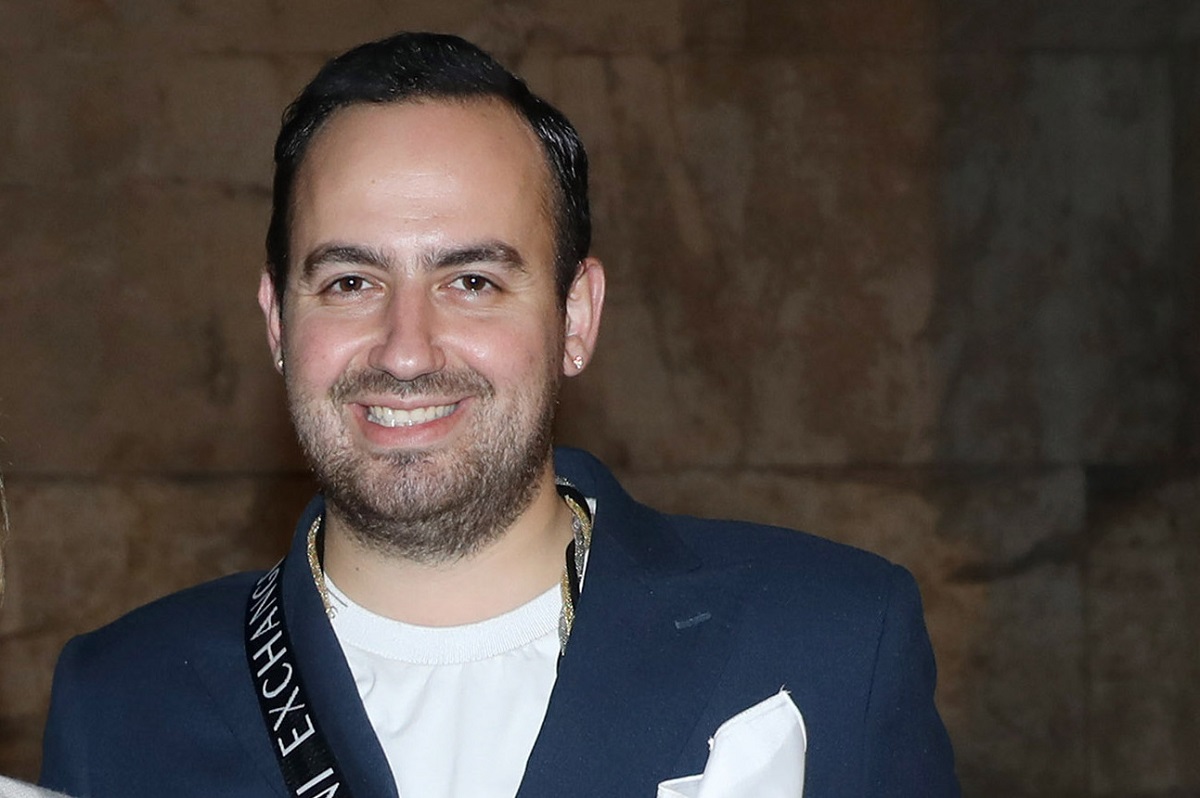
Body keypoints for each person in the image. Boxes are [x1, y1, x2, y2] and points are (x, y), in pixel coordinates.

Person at [39, 32, 959, 797]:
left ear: (575, 318)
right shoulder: (120, 702)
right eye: (350, 281)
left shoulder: (834, 641)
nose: (406, 350)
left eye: (472, 281)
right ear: (279, 322)